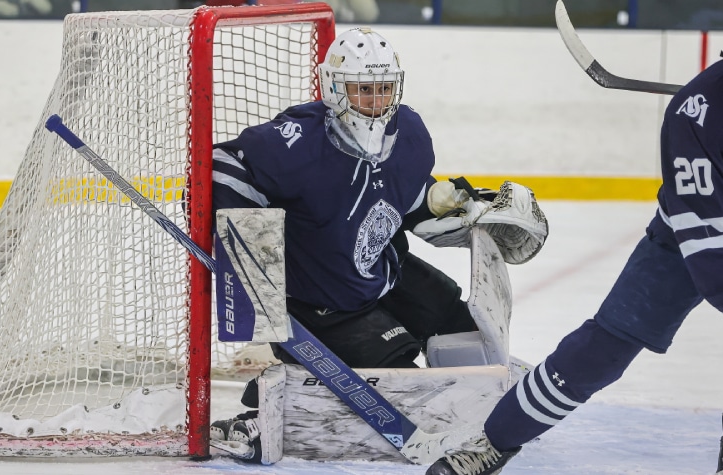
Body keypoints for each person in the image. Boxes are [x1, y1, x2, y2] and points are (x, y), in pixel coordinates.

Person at [206, 27, 548, 464]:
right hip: (322, 302)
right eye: (363, 89)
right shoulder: (296, 143)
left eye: (385, 88)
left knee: (458, 326)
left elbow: (400, 202)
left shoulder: (410, 133)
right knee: (401, 383)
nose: (376, 100)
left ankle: (492, 410)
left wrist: (443, 203)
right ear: (334, 87)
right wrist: (249, 247)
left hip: (387, 272)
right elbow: (222, 164)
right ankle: (271, 407)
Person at [424, 57, 723, 475]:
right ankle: (494, 442)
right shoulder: (696, 115)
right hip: (689, 235)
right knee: (602, 350)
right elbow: (712, 256)